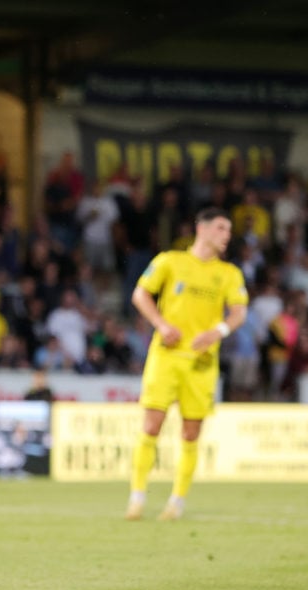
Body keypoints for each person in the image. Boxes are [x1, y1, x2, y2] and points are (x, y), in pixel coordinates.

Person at [125, 207, 248, 522]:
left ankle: (176, 502)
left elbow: (238, 312)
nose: (226, 235)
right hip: (165, 356)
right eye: (221, 228)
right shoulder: (170, 261)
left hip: (201, 363)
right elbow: (141, 294)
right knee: (151, 425)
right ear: (203, 229)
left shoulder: (229, 273)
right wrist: (161, 325)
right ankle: (137, 497)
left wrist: (218, 331)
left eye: (228, 230)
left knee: (191, 433)